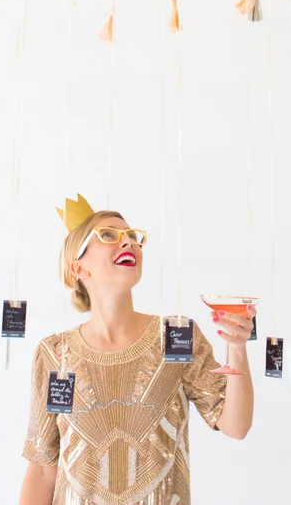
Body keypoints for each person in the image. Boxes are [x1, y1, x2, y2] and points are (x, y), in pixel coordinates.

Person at [20, 195, 255, 505]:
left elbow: (235, 426)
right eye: (108, 235)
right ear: (78, 268)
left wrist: (236, 349)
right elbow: (42, 468)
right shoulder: (54, 353)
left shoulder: (176, 336)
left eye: (132, 236)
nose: (128, 242)